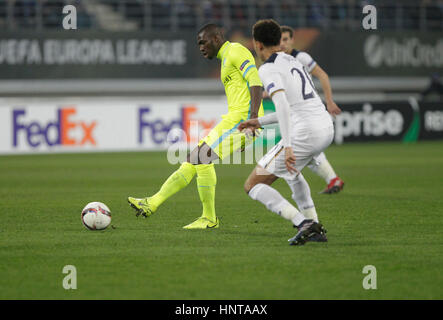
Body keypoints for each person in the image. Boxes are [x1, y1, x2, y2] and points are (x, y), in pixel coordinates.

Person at [128, 23, 264, 229]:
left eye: (203, 42)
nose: (200, 47)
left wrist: (253, 119)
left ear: (217, 38)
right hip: (235, 120)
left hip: (242, 120)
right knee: (193, 160)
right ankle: (152, 203)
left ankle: (209, 218)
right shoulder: (226, 60)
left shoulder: (236, 50)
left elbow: (255, 82)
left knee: (202, 158)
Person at [239, 19, 332, 245]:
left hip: (305, 133)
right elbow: (293, 107)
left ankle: (303, 223)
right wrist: (259, 121)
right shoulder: (291, 60)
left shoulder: (268, 68)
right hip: (326, 128)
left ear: (257, 44)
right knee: (292, 173)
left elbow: (281, 105)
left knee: (253, 185)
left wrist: (288, 145)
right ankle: (315, 226)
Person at [278, 25, 345, 194]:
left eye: (286, 39)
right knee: (307, 151)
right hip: (295, 113)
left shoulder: (301, 57)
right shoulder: (278, 60)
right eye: (280, 40)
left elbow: (322, 75)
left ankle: (310, 187)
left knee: (299, 149)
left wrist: (329, 102)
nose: (283, 43)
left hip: (305, 113)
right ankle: (333, 180)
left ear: (292, 40)